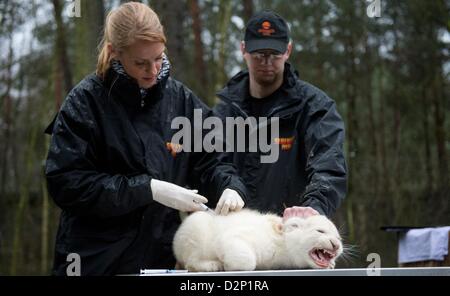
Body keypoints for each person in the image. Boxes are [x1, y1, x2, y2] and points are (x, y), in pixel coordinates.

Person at [44, 2, 246, 276]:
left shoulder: (182, 102)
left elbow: (214, 161)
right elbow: (67, 183)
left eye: (159, 58)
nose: (152, 70)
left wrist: (230, 187)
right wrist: (147, 189)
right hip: (93, 260)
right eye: (140, 63)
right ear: (115, 53)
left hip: (157, 259)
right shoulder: (85, 103)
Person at [214, 10, 347, 220]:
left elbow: (329, 165)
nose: (267, 62)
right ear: (243, 50)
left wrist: (314, 207)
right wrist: (230, 186)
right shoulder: (224, 111)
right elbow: (213, 164)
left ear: (288, 51)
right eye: (259, 55)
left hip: (291, 233)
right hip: (236, 234)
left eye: (274, 55)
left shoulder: (315, 107)